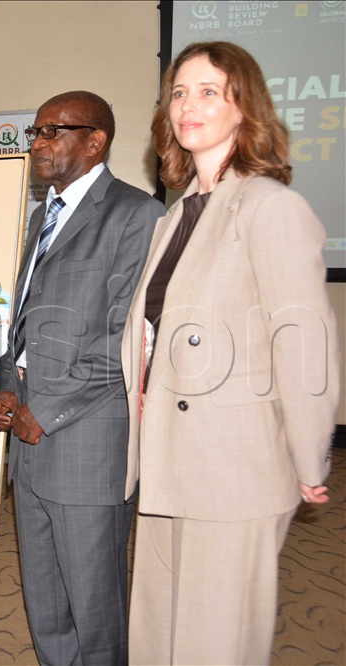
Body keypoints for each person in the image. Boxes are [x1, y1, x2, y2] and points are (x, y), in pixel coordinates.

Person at [123, 41, 339, 664]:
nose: (188, 105)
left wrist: (309, 457)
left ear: (246, 108)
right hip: (167, 463)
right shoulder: (176, 214)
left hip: (233, 469)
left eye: (209, 92)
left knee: (214, 644)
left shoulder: (271, 207)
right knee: (158, 637)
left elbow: (304, 344)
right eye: (179, 93)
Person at [0, 91, 163, 665]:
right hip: (29, 435)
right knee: (45, 600)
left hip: (85, 439)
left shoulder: (137, 215)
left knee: (94, 605)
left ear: (96, 141)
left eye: (53, 132)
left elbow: (127, 339)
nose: (38, 143)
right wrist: (6, 384)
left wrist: (51, 410)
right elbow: (25, 320)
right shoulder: (44, 215)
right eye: (34, 132)